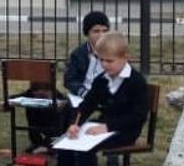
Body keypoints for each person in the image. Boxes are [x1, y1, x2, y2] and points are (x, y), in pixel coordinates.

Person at [58, 32, 150, 166]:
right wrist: (74, 124)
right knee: (66, 142)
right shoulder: (101, 79)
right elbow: (87, 105)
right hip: (102, 126)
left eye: (109, 61)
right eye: (101, 60)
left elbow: (138, 116)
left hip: (125, 131)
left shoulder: (136, 82)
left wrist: (108, 127)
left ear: (125, 58)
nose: (105, 64)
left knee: (85, 147)